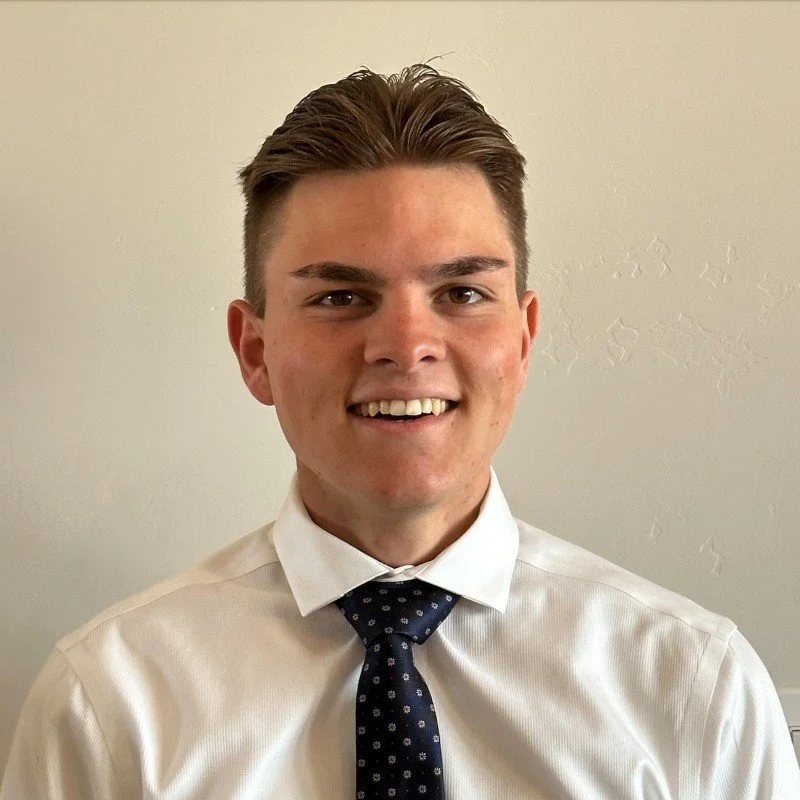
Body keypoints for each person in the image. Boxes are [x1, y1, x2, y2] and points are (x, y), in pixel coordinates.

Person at [2, 64, 798, 800]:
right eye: (341, 298)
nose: (405, 344)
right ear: (255, 352)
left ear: (521, 341)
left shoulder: (694, 689)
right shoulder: (107, 705)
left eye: (461, 291)